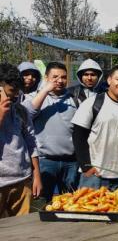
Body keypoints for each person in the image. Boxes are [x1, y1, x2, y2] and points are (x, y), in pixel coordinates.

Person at [71, 65, 118, 190]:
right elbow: (78, 136)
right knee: (88, 208)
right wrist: (86, 166)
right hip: (95, 175)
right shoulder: (92, 103)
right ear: (109, 80)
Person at [23, 62, 78, 201]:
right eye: (55, 77)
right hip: (45, 160)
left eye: (63, 77)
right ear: (46, 77)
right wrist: (45, 90)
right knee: (43, 202)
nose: (60, 81)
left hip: (70, 161)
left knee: (72, 201)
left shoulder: (74, 99)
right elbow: (28, 113)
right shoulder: (33, 97)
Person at [0, 63, 41, 218]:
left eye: (18, 90)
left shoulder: (20, 110)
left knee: (22, 230)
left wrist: (36, 175)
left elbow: (31, 143)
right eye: (11, 90)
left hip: (22, 181)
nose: (16, 95)